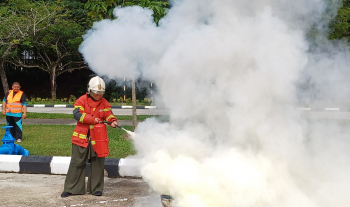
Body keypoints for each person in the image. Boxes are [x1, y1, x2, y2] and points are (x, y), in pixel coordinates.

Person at [61, 76, 118, 198]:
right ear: (90, 90)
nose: (98, 95)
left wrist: (112, 120)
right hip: (81, 138)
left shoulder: (104, 102)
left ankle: (96, 188)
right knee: (77, 163)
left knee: (98, 164)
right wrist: (92, 119)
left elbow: (108, 114)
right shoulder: (81, 100)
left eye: (101, 93)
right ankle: (71, 188)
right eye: (96, 93)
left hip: (99, 139)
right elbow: (77, 115)